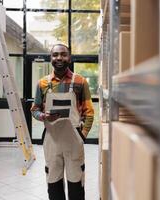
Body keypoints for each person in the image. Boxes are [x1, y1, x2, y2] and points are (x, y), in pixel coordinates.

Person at [31, 43, 94, 200]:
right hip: (52, 141)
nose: (59, 58)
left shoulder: (80, 82)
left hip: (74, 141)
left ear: (69, 57)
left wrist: (82, 136)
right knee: (53, 182)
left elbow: (89, 112)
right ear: (50, 58)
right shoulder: (42, 84)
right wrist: (43, 116)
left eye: (63, 54)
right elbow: (34, 110)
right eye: (55, 55)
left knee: (76, 182)